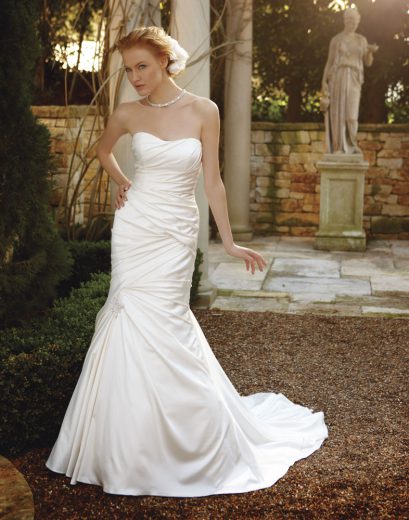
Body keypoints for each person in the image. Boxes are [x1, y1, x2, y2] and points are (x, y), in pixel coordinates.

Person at [45, 26, 328, 497]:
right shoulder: (127, 112)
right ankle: (120, 445)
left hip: (177, 228)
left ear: (164, 61)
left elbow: (212, 181)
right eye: (129, 69)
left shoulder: (203, 110)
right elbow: (102, 150)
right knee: (127, 316)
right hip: (136, 225)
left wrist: (229, 242)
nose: (135, 76)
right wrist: (122, 181)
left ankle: (188, 439)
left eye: (142, 66)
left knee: (169, 320)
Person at [320, 7, 379, 154]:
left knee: (352, 116)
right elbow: (329, 62)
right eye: (349, 19)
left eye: (354, 20)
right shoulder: (336, 40)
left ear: (358, 21)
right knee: (338, 114)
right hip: (337, 77)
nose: (351, 22)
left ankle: (352, 145)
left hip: (354, 77)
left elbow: (368, 62)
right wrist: (323, 82)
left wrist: (370, 52)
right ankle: (339, 147)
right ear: (344, 20)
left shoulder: (361, 40)